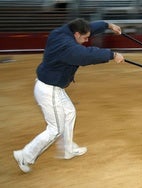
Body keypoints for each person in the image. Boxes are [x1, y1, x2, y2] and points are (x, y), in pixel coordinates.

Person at [13, 18, 125, 173]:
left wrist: (108, 25)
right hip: (49, 89)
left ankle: (68, 149)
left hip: (52, 86)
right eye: (85, 38)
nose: (86, 41)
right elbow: (86, 55)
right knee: (55, 129)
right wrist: (111, 55)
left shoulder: (62, 32)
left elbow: (89, 28)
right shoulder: (67, 47)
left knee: (70, 112)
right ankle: (25, 155)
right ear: (76, 34)